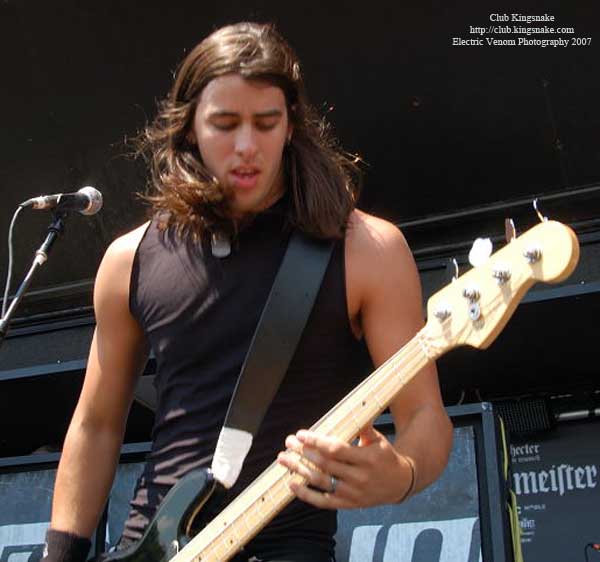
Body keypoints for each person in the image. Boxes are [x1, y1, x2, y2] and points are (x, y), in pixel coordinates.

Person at [43, 22, 453, 562]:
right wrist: (59, 554)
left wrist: (399, 475)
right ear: (189, 127)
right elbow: (95, 425)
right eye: (225, 124)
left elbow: (426, 417)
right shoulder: (128, 259)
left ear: (291, 127)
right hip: (148, 544)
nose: (246, 146)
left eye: (266, 124)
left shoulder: (366, 249)